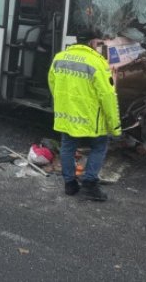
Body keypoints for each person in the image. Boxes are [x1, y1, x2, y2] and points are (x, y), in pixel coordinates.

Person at [48, 28, 121, 201]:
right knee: (99, 146)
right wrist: (115, 127)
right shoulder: (97, 62)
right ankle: (89, 183)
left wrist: (63, 105)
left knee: (67, 147)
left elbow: (52, 84)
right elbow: (108, 96)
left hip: (66, 115)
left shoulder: (59, 58)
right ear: (93, 42)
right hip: (90, 119)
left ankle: (70, 184)